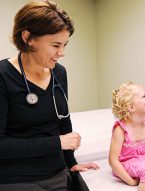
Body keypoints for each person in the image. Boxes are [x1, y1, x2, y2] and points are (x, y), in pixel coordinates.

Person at [0, 1, 99, 190]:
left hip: (57, 174)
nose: (61, 53)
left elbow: (63, 121)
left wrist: (71, 163)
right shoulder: (3, 76)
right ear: (28, 37)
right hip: (16, 179)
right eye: (55, 45)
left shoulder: (59, 73)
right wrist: (56, 143)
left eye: (64, 45)